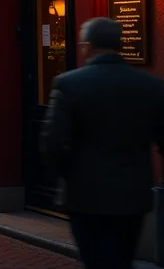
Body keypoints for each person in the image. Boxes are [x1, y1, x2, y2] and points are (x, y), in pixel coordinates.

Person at [42, 17, 164, 269]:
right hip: (134, 193)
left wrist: (66, 174)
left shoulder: (69, 83)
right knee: (122, 257)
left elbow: (52, 142)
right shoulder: (151, 86)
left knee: (96, 259)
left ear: (87, 45)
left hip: (86, 195)